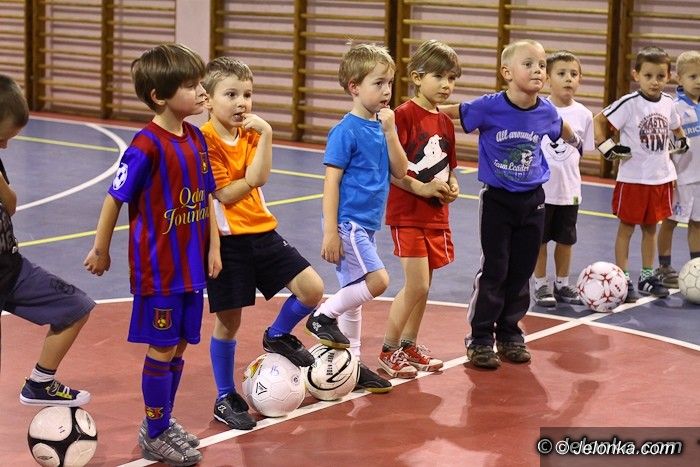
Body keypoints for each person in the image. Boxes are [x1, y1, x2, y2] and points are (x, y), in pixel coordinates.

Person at [84, 44, 221, 466]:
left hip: (191, 268)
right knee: (161, 349)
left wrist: (214, 247)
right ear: (159, 96)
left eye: (200, 83)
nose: (202, 92)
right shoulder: (145, 145)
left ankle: (160, 421)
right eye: (191, 85)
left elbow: (206, 196)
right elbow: (115, 197)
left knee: (178, 346)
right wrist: (101, 249)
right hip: (159, 270)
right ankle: (156, 431)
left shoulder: (196, 138)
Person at [442, 39, 582, 369]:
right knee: (495, 269)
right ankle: (480, 338)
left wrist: (576, 141)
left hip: (533, 200)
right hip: (498, 201)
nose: (538, 70)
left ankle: (509, 333)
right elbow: (453, 112)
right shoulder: (489, 106)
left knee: (521, 271)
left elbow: (560, 127)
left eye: (542, 65)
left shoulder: (546, 110)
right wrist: (413, 112)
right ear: (506, 72)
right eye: (528, 64)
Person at [200, 56, 323, 430]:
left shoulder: (253, 133)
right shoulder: (205, 140)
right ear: (208, 100)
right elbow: (225, 193)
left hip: (263, 232)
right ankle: (225, 397)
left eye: (247, 95)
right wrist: (250, 178)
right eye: (231, 94)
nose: (241, 103)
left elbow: (260, 176)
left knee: (312, 289)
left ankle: (278, 334)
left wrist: (266, 134)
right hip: (228, 242)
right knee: (229, 323)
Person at [305, 43, 408, 391]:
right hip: (348, 223)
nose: (387, 91)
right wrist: (330, 232)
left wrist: (391, 132)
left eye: (389, 83)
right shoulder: (345, 130)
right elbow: (331, 182)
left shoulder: (382, 127)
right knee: (377, 281)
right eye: (378, 83)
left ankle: (353, 365)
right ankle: (322, 315)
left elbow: (400, 170)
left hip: (366, 224)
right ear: (354, 87)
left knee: (354, 296)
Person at [0, 74, 94, 406]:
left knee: (76, 306)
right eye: (2, 138)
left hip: (11, 269)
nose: (5, 146)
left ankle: (40, 384)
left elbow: (11, 207)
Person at [379, 40, 460, 378]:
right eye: (438, 77)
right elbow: (391, 169)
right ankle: (388, 349)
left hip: (436, 215)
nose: (446, 85)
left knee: (425, 286)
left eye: (451, 78)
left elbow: (449, 167)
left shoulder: (445, 123)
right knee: (417, 285)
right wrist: (421, 188)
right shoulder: (403, 115)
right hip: (408, 213)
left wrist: (452, 185)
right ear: (416, 77)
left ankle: (409, 343)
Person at [593, 46, 688, 303]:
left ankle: (647, 276)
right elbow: (599, 120)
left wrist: (681, 140)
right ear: (636, 75)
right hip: (633, 179)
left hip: (660, 178)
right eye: (648, 76)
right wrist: (606, 146)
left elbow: (676, 127)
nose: (654, 81)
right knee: (626, 228)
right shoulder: (629, 103)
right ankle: (622, 278)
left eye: (660, 76)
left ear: (669, 77)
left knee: (650, 229)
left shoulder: (668, 103)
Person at [532, 51, 594, 307]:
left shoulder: (584, 115)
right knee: (540, 241)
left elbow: (582, 151)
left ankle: (562, 283)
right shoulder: (538, 109)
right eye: (561, 73)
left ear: (580, 79)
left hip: (569, 191)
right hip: (541, 190)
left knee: (566, 240)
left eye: (574, 74)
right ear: (547, 78)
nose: (568, 78)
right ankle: (540, 284)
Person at [655, 50, 700, 287]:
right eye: (693, 76)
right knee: (670, 221)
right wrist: (667, 173)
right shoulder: (674, 108)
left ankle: (696, 266)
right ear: (679, 78)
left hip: (699, 179)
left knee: (698, 223)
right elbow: (664, 145)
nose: (698, 81)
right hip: (679, 178)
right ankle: (664, 266)